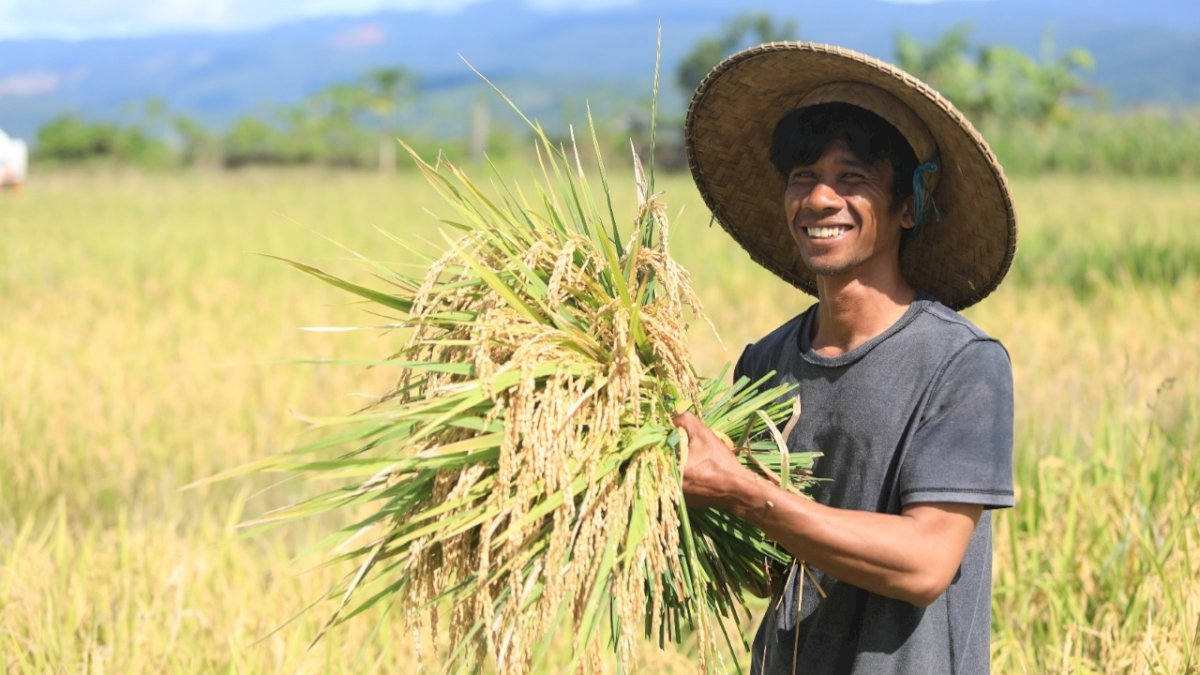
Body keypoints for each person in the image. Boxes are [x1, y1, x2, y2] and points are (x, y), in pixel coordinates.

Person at [675, 43, 1018, 674]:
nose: (820, 199)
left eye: (853, 178)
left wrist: (745, 493)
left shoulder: (961, 364)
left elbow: (924, 563)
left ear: (909, 207)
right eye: (803, 175)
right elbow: (767, 571)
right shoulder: (766, 365)